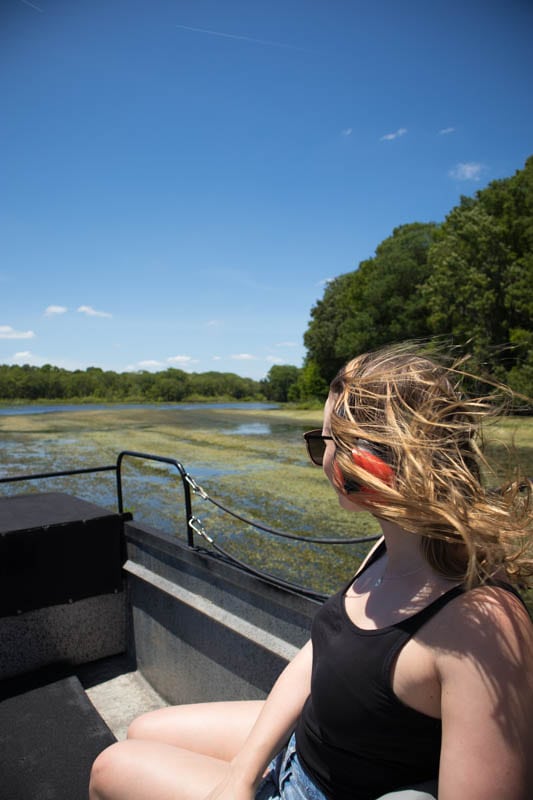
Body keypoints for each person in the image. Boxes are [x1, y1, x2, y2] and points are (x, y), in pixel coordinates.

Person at [89, 345, 533, 800]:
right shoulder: (392, 547)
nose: (320, 458)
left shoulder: (484, 624)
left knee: (112, 767)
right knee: (145, 727)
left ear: (366, 459)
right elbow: (318, 654)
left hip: (317, 788)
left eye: (322, 443)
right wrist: (240, 777)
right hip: (309, 745)